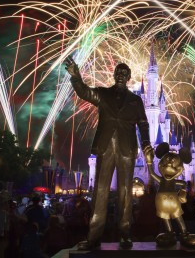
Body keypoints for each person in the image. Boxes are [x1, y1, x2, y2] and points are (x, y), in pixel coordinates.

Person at [65, 57, 153, 250]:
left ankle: (125, 234)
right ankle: (93, 237)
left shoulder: (136, 100)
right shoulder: (103, 94)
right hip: (106, 147)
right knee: (101, 191)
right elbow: (84, 92)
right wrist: (75, 77)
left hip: (127, 148)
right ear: (114, 75)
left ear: (129, 77)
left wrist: (146, 144)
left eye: (125, 73)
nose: (121, 76)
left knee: (125, 193)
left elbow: (144, 124)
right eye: (118, 73)